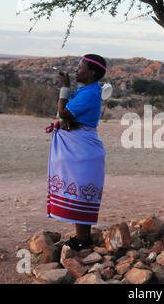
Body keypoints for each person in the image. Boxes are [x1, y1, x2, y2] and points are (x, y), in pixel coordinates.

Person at [46, 54, 107, 250]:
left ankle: (83, 240)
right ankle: (83, 238)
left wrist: (64, 87)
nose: (76, 70)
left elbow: (63, 113)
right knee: (79, 195)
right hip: (82, 150)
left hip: (83, 152)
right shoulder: (87, 90)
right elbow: (70, 118)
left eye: (80, 67)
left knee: (81, 195)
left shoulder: (89, 93)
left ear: (91, 72)